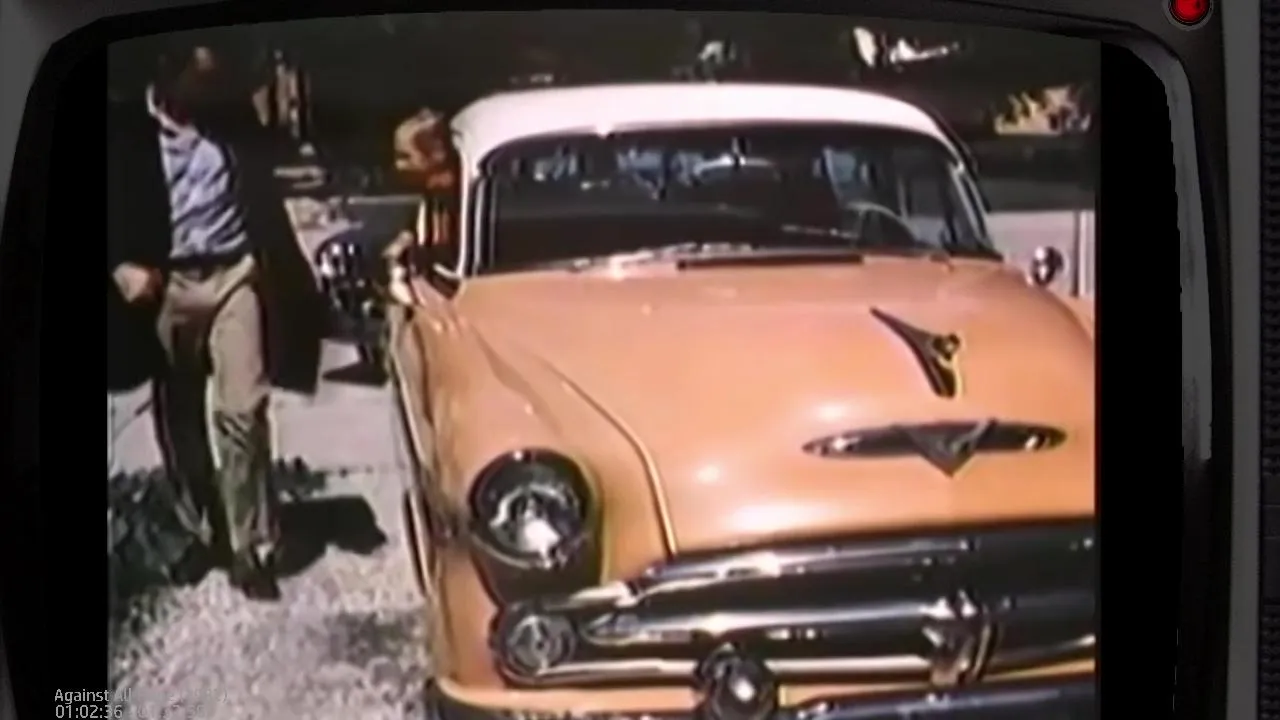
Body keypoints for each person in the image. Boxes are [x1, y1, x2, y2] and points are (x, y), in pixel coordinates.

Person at [107, 34, 324, 601]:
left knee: (242, 410)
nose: (210, 90)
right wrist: (119, 264)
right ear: (167, 71)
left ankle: (253, 548)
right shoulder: (124, 131)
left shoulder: (233, 120)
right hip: (167, 287)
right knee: (180, 420)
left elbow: (265, 194)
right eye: (199, 79)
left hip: (234, 276)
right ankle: (204, 532)